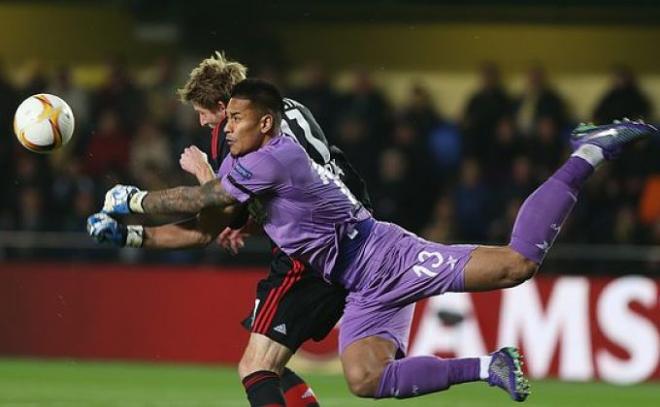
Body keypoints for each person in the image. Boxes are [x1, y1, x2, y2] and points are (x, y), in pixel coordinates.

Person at [89, 79, 658, 402]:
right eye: (226, 119)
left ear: (262, 122)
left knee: (515, 266)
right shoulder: (256, 153)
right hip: (351, 283)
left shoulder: (272, 156)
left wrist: (133, 201)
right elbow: (213, 215)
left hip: (382, 255)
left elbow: (202, 206)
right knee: (364, 380)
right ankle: (490, 367)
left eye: (232, 118)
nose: (224, 128)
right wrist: (135, 230)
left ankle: (590, 151)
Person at [153, 52, 372, 407]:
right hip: (352, 225)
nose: (201, 119)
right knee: (268, 358)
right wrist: (251, 221)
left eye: (204, 111)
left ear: (225, 107)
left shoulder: (236, 138)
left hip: (312, 252)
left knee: (257, 365)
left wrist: (203, 172)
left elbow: (223, 207)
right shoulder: (288, 108)